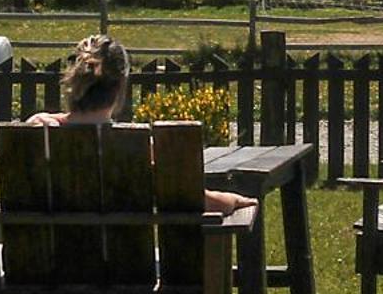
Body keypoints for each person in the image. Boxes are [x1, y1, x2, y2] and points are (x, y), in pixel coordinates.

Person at [28, 35, 255, 215]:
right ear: (121, 87)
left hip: (39, 270)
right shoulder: (137, 145)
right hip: (125, 271)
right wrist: (233, 200)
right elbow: (193, 199)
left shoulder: (39, 131)